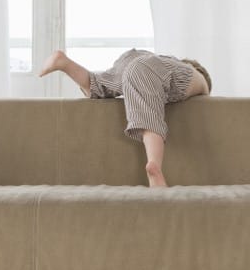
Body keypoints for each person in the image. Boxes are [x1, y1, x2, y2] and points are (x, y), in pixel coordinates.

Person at [39, 48, 212, 188]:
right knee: (149, 112)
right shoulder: (195, 75)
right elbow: (204, 95)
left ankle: (63, 62)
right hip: (148, 67)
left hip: (131, 58)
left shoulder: (158, 61)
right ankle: (155, 167)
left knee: (97, 86)